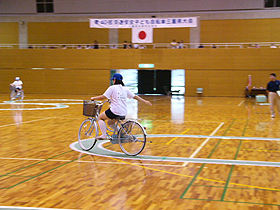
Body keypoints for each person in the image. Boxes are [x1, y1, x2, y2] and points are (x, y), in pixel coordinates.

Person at [91, 73, 152, 140]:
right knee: (110, 122)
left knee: (100, 118)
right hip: (123, 112)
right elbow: (135, 96)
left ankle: (104, 135)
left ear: (114, 80)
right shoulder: (125, 89)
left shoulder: (112, 88)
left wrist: (94, 98)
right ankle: (121, 133)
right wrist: (145, 101)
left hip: (114, 111)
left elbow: (104, 97)